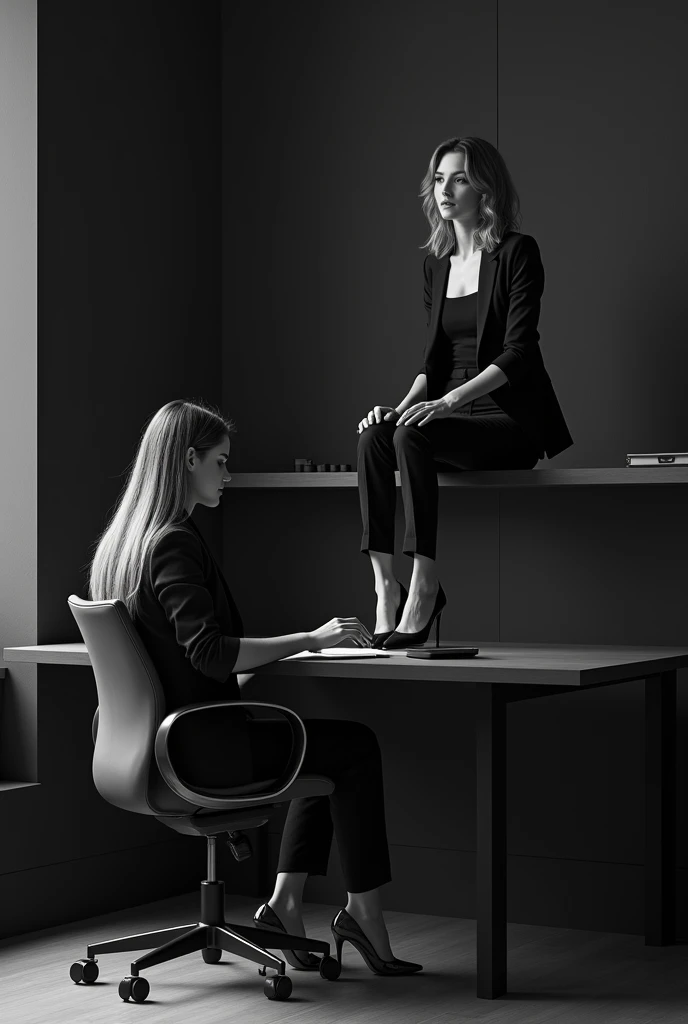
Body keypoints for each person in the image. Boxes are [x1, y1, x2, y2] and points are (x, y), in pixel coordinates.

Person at [88, 398, 421, 978]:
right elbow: (210, 653)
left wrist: (257, 662)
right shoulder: (173, 542)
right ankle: (362, 914)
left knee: (321, 751)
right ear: (188, 461)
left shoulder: (123, 545)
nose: (228, 474)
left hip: (148, 749)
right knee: (353, 748)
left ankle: (286, 905)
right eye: (220, 461)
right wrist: (309, 640)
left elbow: (179, 661)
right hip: (202, 752)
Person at [357, 136, 573, 649]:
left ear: (484, 189)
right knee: (376, 439)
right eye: (438, 179)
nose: (445, 190)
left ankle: (426, 585)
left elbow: (519, 353)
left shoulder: (519, 253)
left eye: (458, 178)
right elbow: (433, 364)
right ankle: (386, 588)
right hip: (444, 416)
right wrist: (401, 408)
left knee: (414, 438)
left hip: (508, 422)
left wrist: (447, 403)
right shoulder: (436, 265)